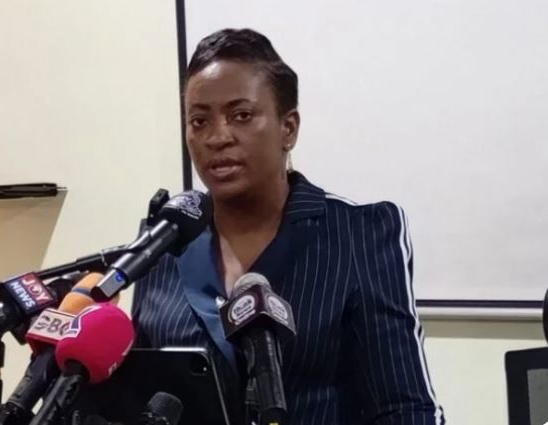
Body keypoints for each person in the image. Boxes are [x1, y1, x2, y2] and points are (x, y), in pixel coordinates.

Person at [132, 28, 445, 425]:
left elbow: (405, 409)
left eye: (241, 115)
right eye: (199, 121)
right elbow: (137, 395)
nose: (217, 137)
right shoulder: (163, 242)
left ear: (288, 128)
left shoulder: (359, 234)